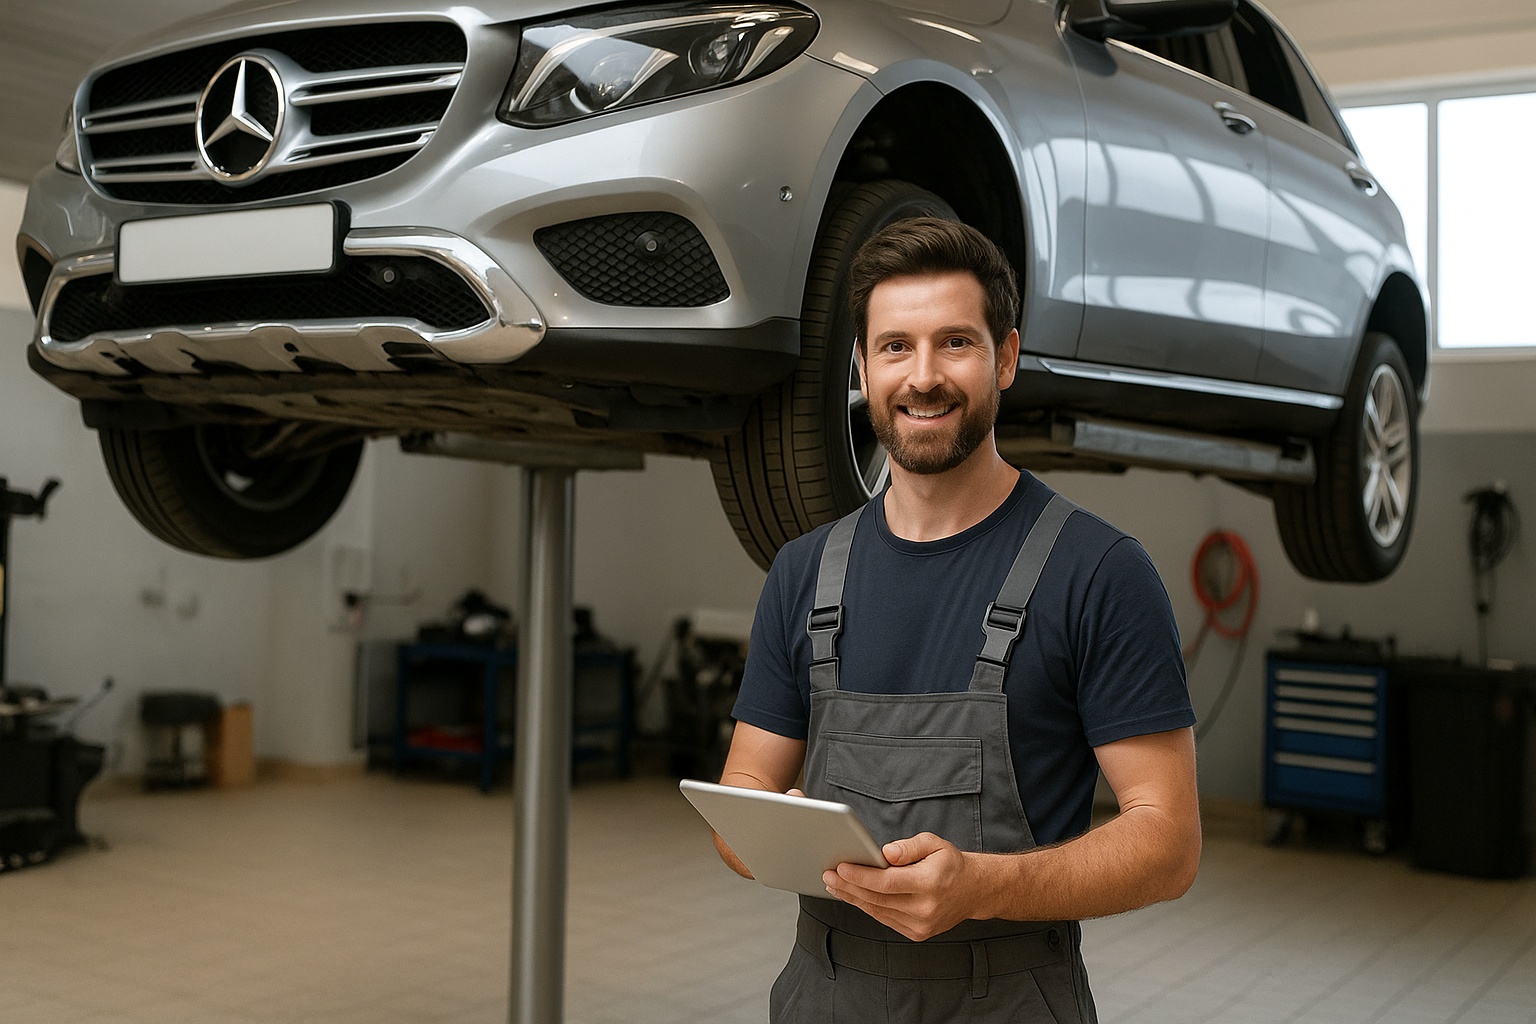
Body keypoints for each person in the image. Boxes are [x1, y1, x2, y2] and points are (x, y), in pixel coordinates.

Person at [713, 217, 1201, 1023]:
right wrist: (768, 835)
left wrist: (984, 886)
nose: (924, 377)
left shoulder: (1100, 572)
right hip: (822, 993)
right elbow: (746, 785)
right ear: (862, 368)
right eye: (896, 347)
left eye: (956, 343)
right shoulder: (803, 573)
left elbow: (1168, 842)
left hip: (1006, 999)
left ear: (1005, 357)